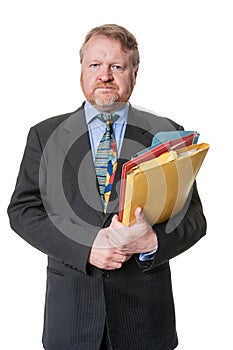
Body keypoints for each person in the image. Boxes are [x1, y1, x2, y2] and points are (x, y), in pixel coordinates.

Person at [8, 24, 206, 350]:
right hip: (71, 317)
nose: (105, 76)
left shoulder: (166, 133)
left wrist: (151, 241)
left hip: (144, 322)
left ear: (134, 73)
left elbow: (195, 218)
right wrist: (86, 247)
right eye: (95, 65)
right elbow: (22, 211)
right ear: (82, 70)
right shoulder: (44, 135)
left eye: (117, 66)